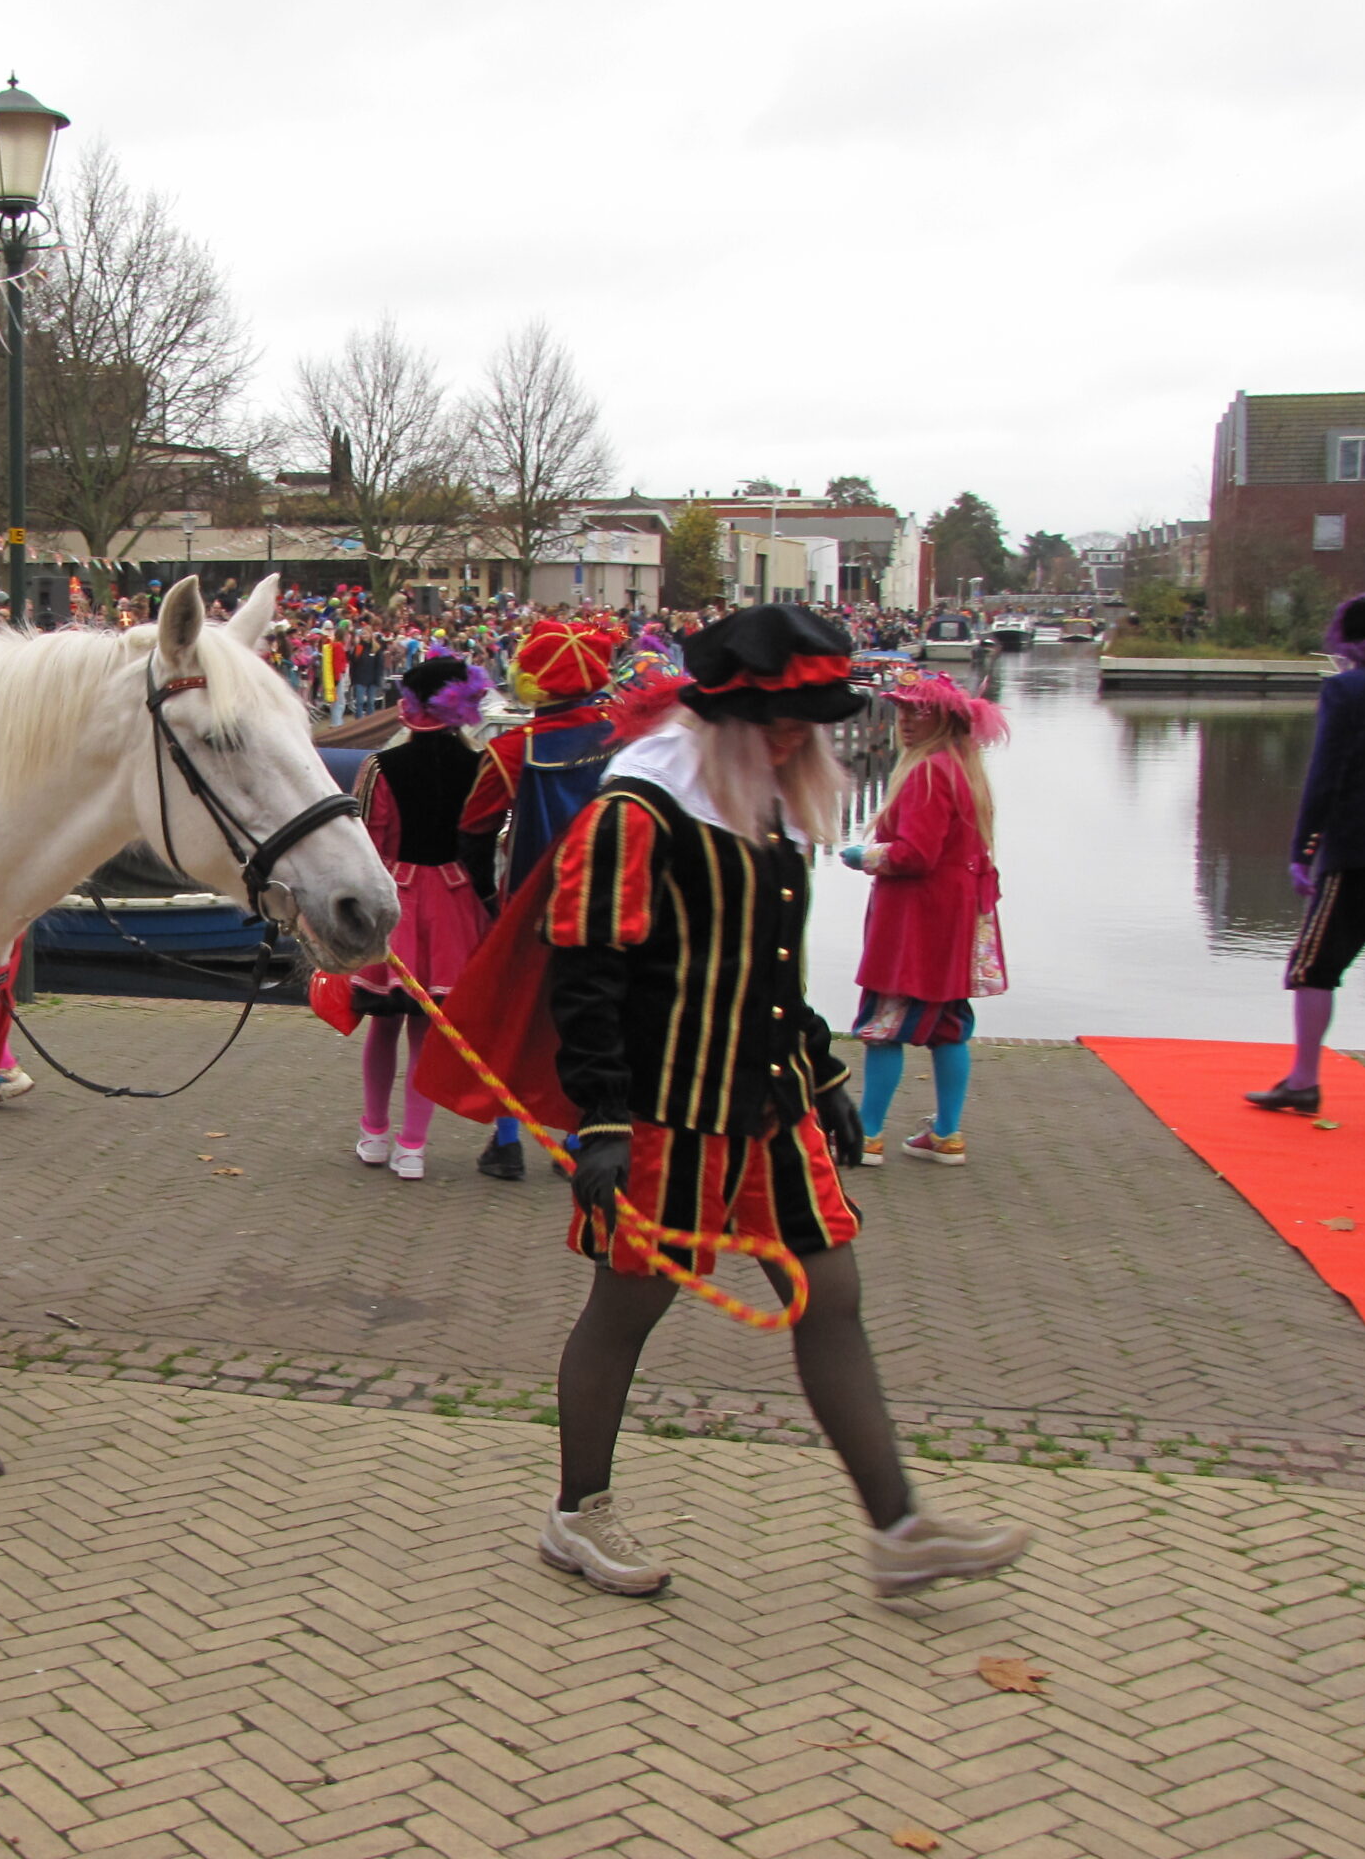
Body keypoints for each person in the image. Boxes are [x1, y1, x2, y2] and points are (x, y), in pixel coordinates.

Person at [431, 604, 1030, 1599]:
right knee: (627, 1305)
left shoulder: (768, 803)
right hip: (664, 1108)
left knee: (829, 1295)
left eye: (808, 720)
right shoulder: (639, 808)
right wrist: (605, 1122)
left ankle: (898, 1529)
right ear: (729, 710)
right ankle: (577, 1513)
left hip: (767, 1103)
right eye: (777, 719)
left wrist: (823, 1068)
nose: (796, 737)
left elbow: (767, 971)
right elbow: (587, 973)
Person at [1249, 592, 1365, 1126]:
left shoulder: (1348, 690)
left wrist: (1304, 849)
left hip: (1357, 852)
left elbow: (1326, 773)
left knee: (1314, 969)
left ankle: (1304, 1080)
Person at [457, 619, 622, 1180]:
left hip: (533, 906)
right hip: (618, 906)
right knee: (595, 1018)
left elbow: (474, 830)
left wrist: (484, 897)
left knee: (515, 1022)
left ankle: (507, 1143)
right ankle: (582, 1136)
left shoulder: (511, 749)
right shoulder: (631, 739)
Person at [838, 669, 1010, 1165]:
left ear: (944, 719)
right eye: (903, 710)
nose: (907, 720)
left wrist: (863, 856)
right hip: (956, 916)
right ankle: (947, 1133)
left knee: (885, 1023)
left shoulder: (928, 772)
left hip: (917, 921)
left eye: (920, 711)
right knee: (949, 1023)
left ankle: (866, 1135)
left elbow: (915, 854)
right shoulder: (964, 769)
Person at [346, 655, 497, 1181]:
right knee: (426, 1033)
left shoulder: (381, 769)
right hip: (456, 902)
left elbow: (373, 843)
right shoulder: (484, 766)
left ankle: (373, 1133)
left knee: (382, 1026)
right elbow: (482, 843)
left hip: (401, 897)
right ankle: (413, 1146)